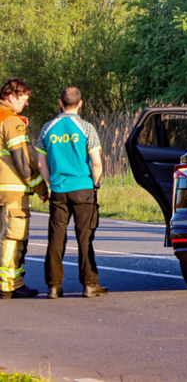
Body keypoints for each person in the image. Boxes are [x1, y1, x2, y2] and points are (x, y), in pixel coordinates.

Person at [36, 87, 107, 299]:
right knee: (84, 236)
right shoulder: (86, 128)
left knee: (56, 238)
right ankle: (89, 284)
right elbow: (96, 162)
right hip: (83, 188)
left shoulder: (47, 128)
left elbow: (41, 163)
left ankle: (53, 286)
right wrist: (94, 184)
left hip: (59, 189)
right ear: (80, 103)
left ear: (60, 102)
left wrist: (52, 184)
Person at [0, 79, 48, 299]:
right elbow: (23, 158)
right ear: (12, 96)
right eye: (24, 99)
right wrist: (40, 187)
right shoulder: (11, 121)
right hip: (12, 191)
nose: (26, 104)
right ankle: (9, 285)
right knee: (14, 237)